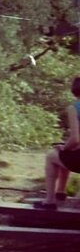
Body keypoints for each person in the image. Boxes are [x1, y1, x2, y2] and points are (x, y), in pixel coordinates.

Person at [41, 76, 80, 209]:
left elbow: (75, 139)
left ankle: (50, 200)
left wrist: (64, 147)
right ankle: (60, 193)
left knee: (52, 155)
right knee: (66, 152)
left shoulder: (75, 107)